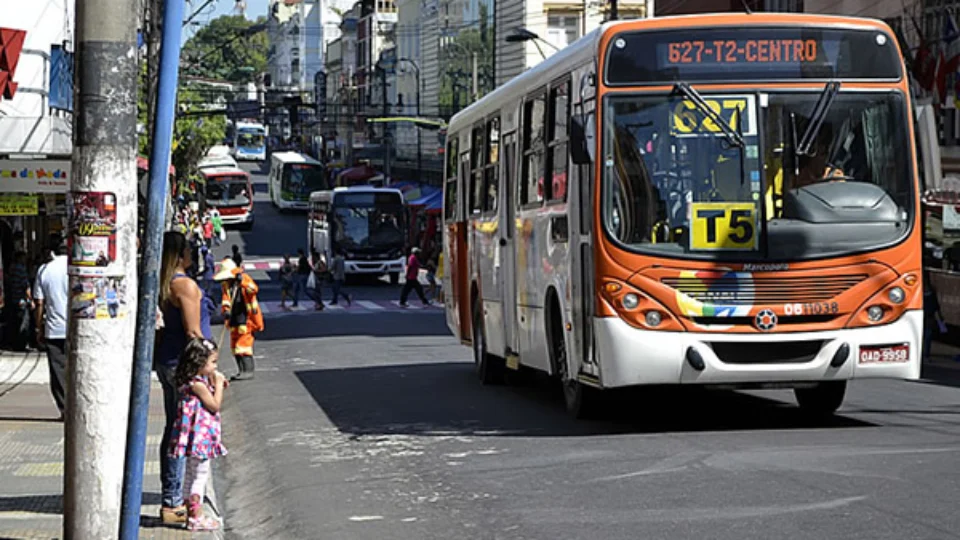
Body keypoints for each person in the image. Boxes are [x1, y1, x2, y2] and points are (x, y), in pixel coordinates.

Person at [155, 231, 213, 526]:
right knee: (180, 433)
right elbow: (194, 333)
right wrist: (208, 367)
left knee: (172, 428)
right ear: (180, 255)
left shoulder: (163, 284)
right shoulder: (184, 285)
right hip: (183, 365)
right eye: (189, 249)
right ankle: (174, 499)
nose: (193, 253)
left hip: (167, 361)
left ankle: (172, 495)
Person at [169, 338, 227, 531]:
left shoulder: (191, 380)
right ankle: (196, 517)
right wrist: (218, 384)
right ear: (199, 363)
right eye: (213, 362)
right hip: (200, 437)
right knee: (199, 476)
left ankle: (190, 515)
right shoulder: (198, 385)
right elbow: (214, 405)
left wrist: (212, 380)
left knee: (190, 475)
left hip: (191, 436)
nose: (215, 366)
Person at [33, 239, 69, 418]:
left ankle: (64, 409)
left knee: (58, 371)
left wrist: (38, 327)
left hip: (54, 329)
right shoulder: (75, 268)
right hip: (77, 329)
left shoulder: (45, 270)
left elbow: (39, 302)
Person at [215, 258, 264, 381]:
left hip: (246, 318)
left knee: (243, 345)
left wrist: (242, 282)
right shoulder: (226, 285)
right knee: (234, 346)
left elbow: (253, 289)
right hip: (233, 318)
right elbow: (226, 299)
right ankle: (241, 370)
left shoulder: (243, 278)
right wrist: (225, 311)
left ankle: (248, 370)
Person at [8, 251, 32, 351]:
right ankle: (21, 345)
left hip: (14, 298)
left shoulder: (12, 269)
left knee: (15, 322)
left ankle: (15, 343)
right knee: (24, 322)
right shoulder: (21, 269)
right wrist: (31, 299)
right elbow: (25, 285)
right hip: (21, 300)